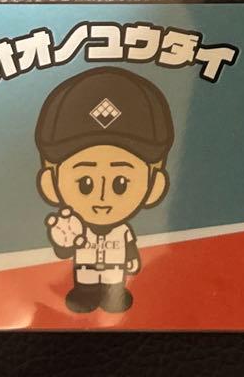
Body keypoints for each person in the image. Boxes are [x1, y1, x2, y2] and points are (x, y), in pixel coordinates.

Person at [34, 66, 174, 313]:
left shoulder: (122, 231)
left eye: (120, 184)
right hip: (84, 267)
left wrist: (132, 258)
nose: (101, 197)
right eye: (85, 184)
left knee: (114, 284)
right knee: (85, 280)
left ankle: (113, 297)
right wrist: (63, 241)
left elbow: (129, 247)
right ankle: (85, 294)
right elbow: (65, 249)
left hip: (116, 270)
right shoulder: (75, 227)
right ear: (50, 183)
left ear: (155, 185)